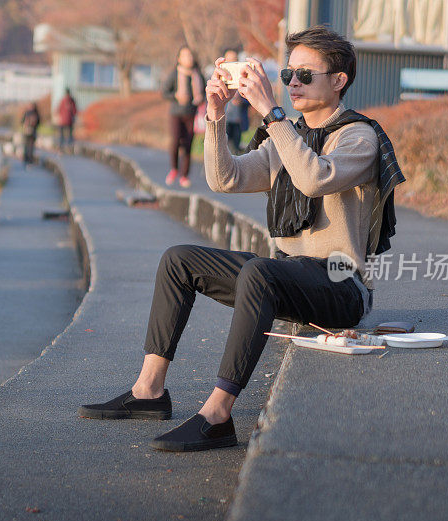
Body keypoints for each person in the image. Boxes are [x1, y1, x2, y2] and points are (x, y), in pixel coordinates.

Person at [79, 26, 404, 452]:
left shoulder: (357, 136)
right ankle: (149, 391)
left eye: (306, 75)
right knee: (180, 259)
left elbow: (312, 178)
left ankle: (217, 415)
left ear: (339, 80)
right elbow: (224, 178)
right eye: (289, 74)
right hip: (290, 275)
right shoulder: (289, 138)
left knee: (259, 272)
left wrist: (272, 114)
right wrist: (214, 116)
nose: (293, 84)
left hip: (341, 287)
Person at [162, 45, 205, 189]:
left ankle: (184, 175)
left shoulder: (198, 74)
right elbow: (164, 92)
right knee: (175, 141)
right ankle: (174, 168)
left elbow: (205, 91)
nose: (188, 58)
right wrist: (176, 96)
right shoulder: (175, 74)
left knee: (188, 144)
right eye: (185, 55)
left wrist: (201, 99)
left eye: (190, 55)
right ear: (179, 58)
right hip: (176, 113)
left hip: (192, 113)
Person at [222, 48, 250, 154]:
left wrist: (241, 101)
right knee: (222, 150)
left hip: (238, 120)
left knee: (235, 151)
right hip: (224, 119)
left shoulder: (244, 78)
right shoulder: (219, 78)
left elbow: (251, 99)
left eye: (234, 60)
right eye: (229, 60)